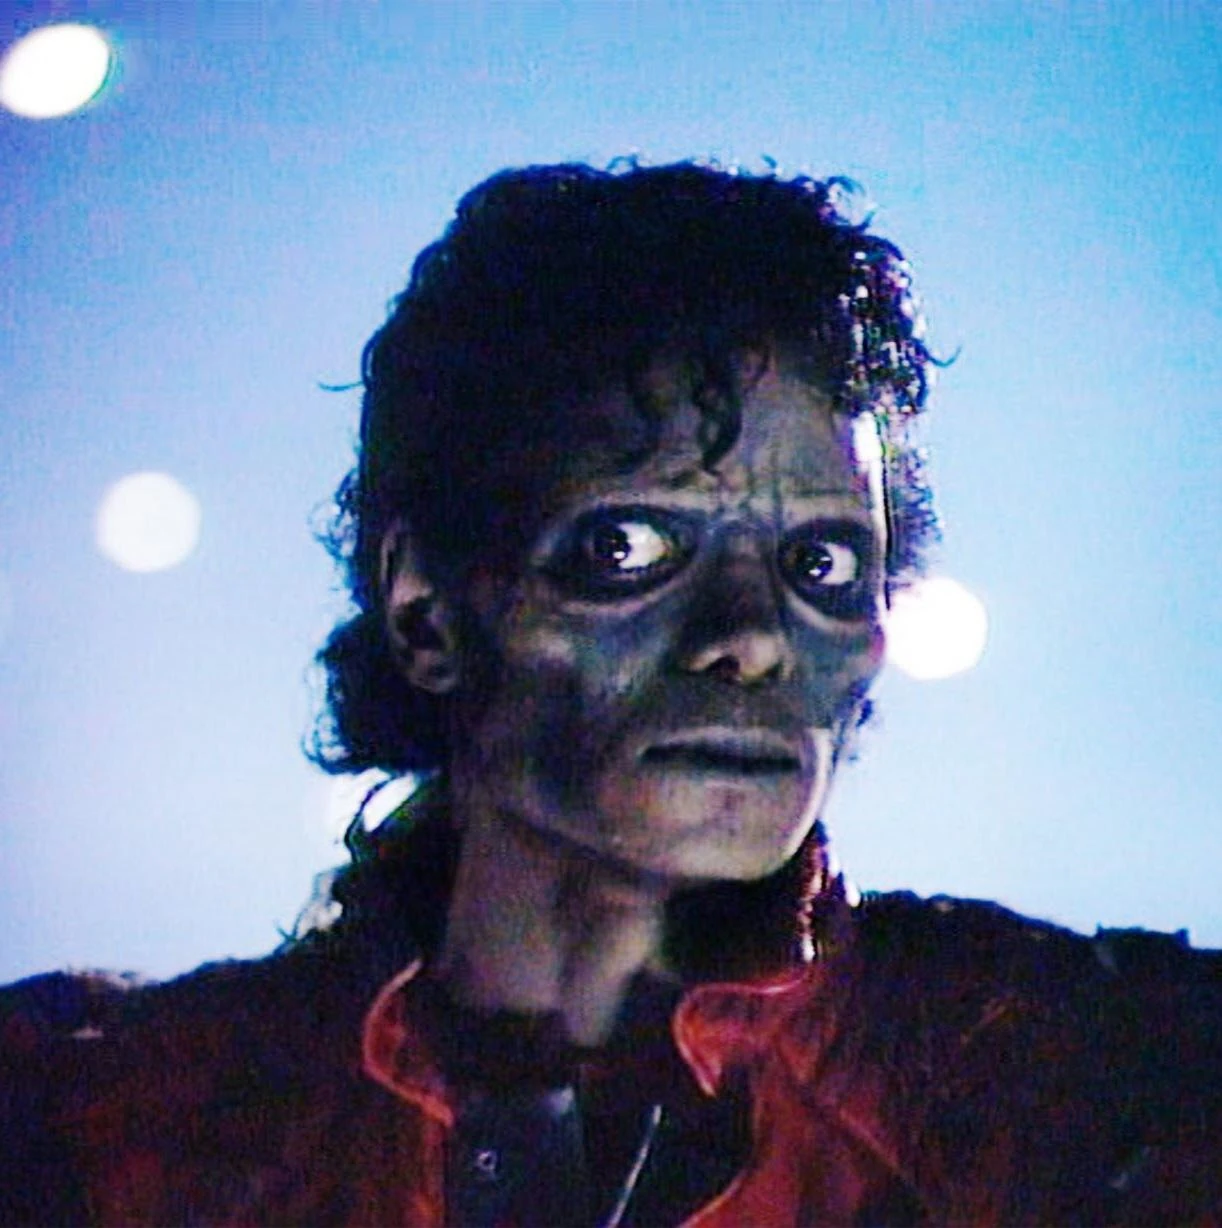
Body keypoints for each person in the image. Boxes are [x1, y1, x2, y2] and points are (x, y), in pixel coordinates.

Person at [2, 160, 1220, 1227]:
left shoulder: (1081, 1087)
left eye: (820, 564)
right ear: (426, 611)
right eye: (627, 546)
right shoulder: (101, 1120)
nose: (751, 638)